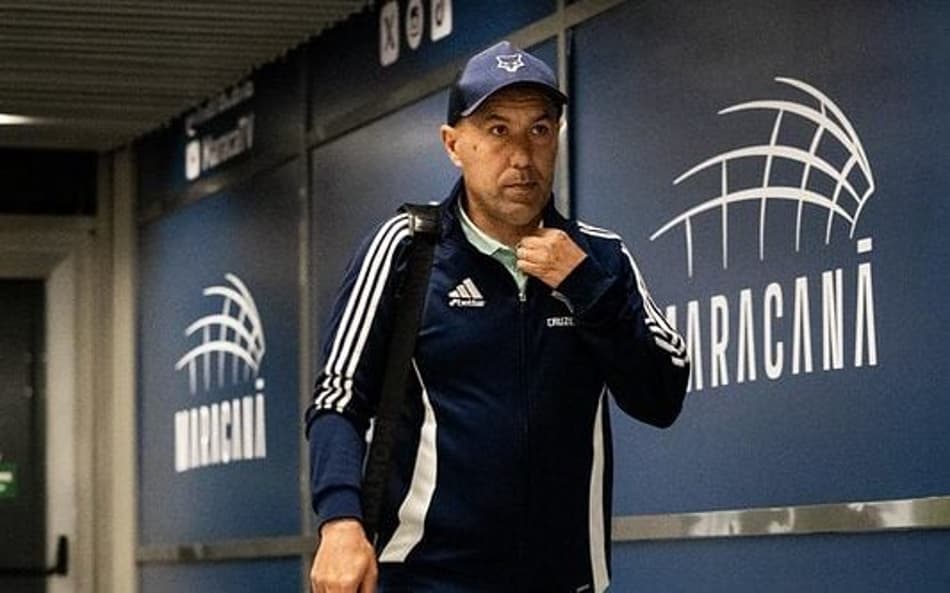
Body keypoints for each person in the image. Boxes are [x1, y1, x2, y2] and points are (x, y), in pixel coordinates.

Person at [305, 40, 689, 593]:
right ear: (453, 144)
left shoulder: (601, 259)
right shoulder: (405, 252)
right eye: (496, 129)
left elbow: (662, 395)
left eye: (539, 129)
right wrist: (340, 524)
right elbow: (337, 400)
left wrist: (585, 288)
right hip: (426, 580)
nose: (521, 156)